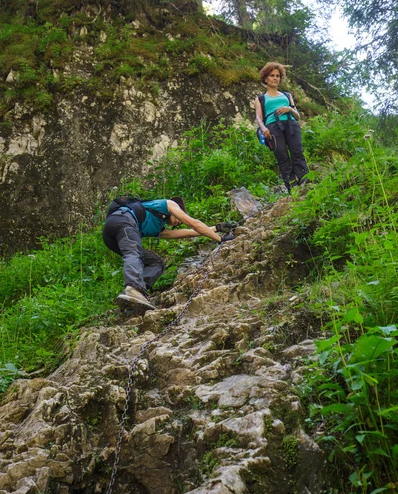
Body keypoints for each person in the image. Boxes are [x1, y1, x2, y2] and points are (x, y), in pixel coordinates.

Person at [102, 196, 236, 310]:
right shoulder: (169, 204)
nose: (178, 221)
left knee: (156, 262)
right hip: (123, 221)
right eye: (180, 214)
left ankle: (138, 292)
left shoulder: (158, 227)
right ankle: (133, 288)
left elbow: (188, 233)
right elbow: (193, 224)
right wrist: (220, 240)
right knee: (133, 253)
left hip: (111, 235)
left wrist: (216, 228)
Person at [255, 61, 309, 194]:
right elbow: (258, 118)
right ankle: (293, 189)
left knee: (297, 153)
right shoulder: (261, 98)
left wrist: (289, 109)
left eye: (277, 76)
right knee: (282, 157)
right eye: (272, 75)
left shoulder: (287, 95)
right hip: (273, 127)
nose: (275, 78)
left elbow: (297, 116)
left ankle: (306, 184)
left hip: (291, 124)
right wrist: (263, 129)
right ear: (265, 78)